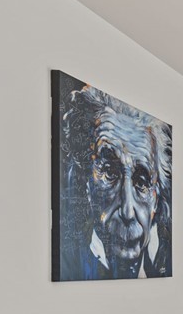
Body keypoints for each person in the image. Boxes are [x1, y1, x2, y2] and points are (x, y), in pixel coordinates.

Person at [55, 75, 172, 280]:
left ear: (156, 199)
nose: (127, 211)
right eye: (109, 173)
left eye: (142, 183)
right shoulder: (70, 266)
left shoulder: (162, 267)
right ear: (87, 183)